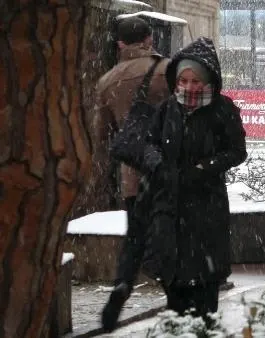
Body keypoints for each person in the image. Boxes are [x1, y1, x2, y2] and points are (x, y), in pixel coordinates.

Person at [137, 37, 247, 320]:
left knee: (204, 289)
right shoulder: (167, 109)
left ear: (208, 79)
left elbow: (236, 151)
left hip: (205, 207)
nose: (188, 87)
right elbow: (149, 143)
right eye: (183, 80)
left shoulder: (222, 109)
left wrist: (204, 168)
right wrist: (157, 163)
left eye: (195, 81)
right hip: (169, 206)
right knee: (173, 285)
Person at [94, 17, 170, 332]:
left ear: (120, 45)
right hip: (167, 172)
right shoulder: (168, 70)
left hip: (133, 178)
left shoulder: (106, 81)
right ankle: (177, 294)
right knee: (170, 236)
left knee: (134, 241)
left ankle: (121, 288)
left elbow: (101, 136)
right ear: (149, 39)